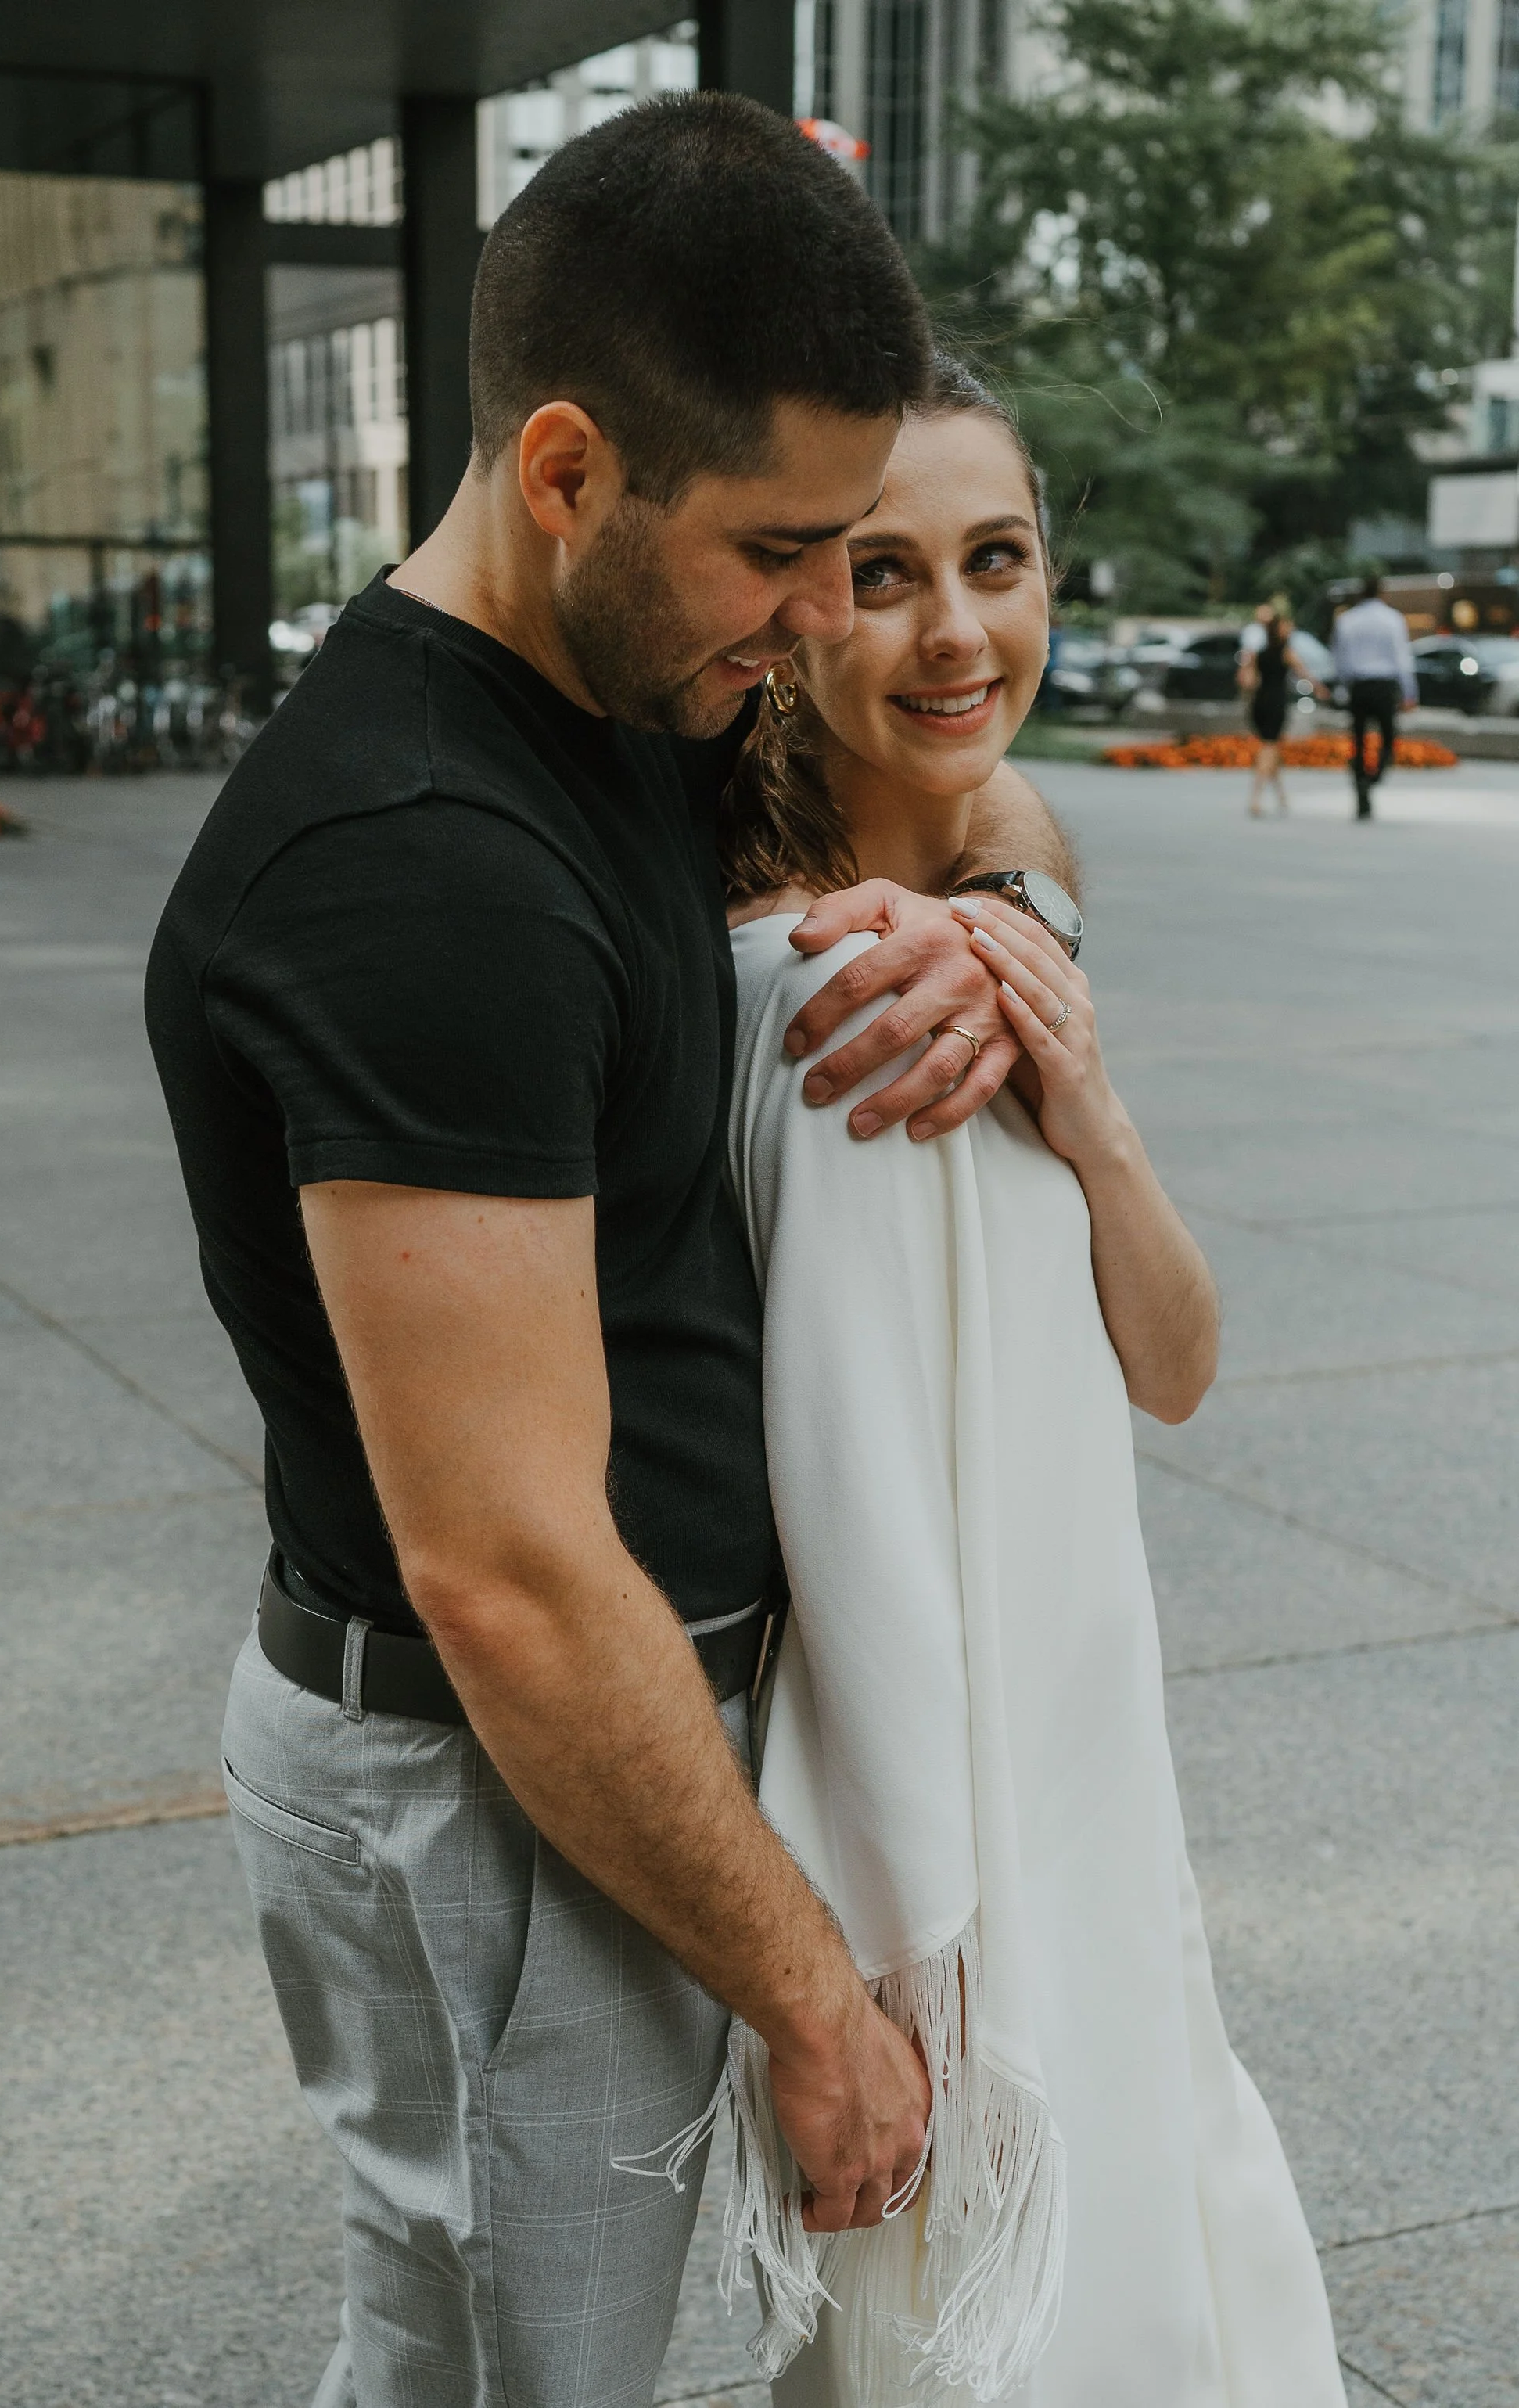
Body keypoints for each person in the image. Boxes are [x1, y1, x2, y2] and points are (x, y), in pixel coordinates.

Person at [146, 97, 1077, 2408]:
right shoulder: (417, 868)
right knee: (505, 2380)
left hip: (616, 1751)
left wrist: (995, 935)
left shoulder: (626, 691)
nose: (811, 617)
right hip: (499, 1778)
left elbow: (946, 777)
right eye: (780, 551)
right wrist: (811, 2008)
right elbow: (513, 1576)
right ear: (565, 471)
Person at [712, 357, 1347, 2403]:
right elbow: (858, 1513)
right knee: (1005, 2296)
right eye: (881, 573)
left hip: (1092, 1740)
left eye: (996, 559)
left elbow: (1173, 1363)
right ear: (793, 604)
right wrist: (895, 1958)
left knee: (1148, 2227)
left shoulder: (1008, 917)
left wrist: (1089, 1101)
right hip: (953, 1800)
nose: (957, 629)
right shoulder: (835, 1008)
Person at [1330, 572, 1417, 818]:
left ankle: (1361, 786)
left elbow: (1341, 658)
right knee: (1388, 737)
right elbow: (1402, 658)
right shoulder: (1392, 619)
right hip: (1384, 686)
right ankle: (1373, 778)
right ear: (1382, 592)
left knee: (1358, 741)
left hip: (1359, 685)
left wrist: (1344, 686)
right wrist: (1409, 692)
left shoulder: (1348, 620)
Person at [1238, 596, 1327, 817]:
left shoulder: (1257, 653)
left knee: (1271, 748)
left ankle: (1281, 796)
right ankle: (1256, 798)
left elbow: (1245, 680)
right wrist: (1320, 689)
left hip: (1259, 702)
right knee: (1269, 748)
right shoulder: (1286, 652)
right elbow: (1304, 673)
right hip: (1275, 702)